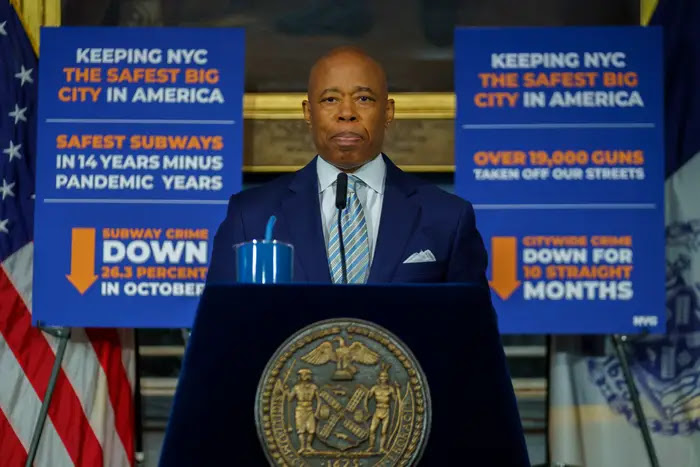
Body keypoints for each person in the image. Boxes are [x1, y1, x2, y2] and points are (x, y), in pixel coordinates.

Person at [207, 46, 488, 285]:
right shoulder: (251, 216)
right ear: (308, 113)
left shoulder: (448, 218)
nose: (346, 114)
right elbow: (219, 331)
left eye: (363, 99)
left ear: (388, 112)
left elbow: (474, 338)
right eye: (330, 99)